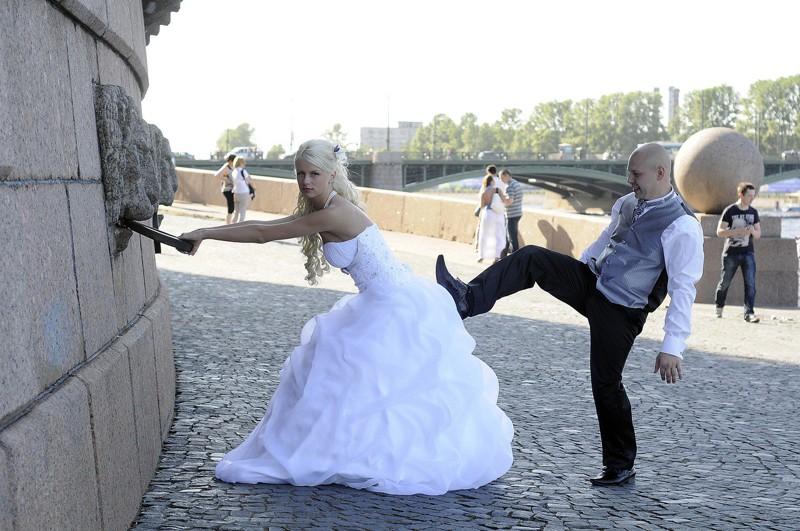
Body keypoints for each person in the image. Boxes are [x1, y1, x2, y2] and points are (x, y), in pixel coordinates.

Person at [179, 139, 513, 495]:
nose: (306, 181)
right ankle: (351, 450)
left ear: (331, 174)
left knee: (381, 389)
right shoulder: (329, 206)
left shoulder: (334, 212)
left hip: (393, 306)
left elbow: (263, 233)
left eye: (314, 174)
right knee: (360, 387)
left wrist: (205, 232)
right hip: (382, 300)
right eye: (300, 174)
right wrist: (207, 233)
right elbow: (269, 227)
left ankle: (369, 455)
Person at [435, 143, 704, 486]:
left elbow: (684, 288)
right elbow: (604, 242)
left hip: (622, 310)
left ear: (661, 173)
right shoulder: (627, 202)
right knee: (532, 257)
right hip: (592, 283)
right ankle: (467, 299)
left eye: (636, 174)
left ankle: (620, 464)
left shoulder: (682, 226)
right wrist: (571, 273)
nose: (629, 180)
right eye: (628, 173)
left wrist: (672, 347)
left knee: (606, 383)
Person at [714, 182, 761, 322]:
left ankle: (749, 313)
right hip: (731, 253)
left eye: (753, 195)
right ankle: (719, 307)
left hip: (748, 253)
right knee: (725, 282)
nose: (752, 198)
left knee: (751, 284)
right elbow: (719, 232)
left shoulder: (753, 212)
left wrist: (752, 231)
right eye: (749, 195)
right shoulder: (730, 211)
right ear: (741, 194)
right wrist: (737, 231)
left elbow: (758, 234)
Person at [477, 165, 512, 263]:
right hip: (499, 213)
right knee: (499, 234)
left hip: (488, 213)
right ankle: (497, 256)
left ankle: (481, 255)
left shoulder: (484, 190)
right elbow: (505, 200)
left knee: (484, 234)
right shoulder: (499, 185)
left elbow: (482, 205)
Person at [500, 168, 523, 256]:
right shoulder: (516, 183)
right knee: (507, 236)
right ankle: (503, 256)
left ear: (506, 175)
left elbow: (509, 201)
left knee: (512, 238)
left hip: (511, 215)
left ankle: (515, 256)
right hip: (517, 213)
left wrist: (502, 198)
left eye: (502, 178)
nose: (501, 180)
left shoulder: (509, 186)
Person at [230, 156, 253, 223]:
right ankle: (240, 226)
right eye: (244, 162)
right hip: (244, 192)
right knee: (242, 211)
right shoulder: (243, 171)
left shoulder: (234, 171)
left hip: (236, 192)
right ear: (241, 163)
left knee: (236, 212)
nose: (245, 163)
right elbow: (248, 181)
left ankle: (232, 225)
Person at [216, 154, 236, 224]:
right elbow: (217, 175)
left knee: (233, 207)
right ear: (230, 161)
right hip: (227, 189)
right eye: (234, 161)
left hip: (232, 189)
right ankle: (228, 224)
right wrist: (227, 180)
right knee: (231, 207)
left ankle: (230, 223)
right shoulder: (226, 167)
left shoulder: (232, 167)